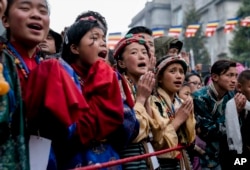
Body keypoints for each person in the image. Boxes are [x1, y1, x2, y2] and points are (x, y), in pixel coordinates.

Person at [24, 15, 124, 169]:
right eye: (94, 38)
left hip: (109, 160)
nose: (103, 43)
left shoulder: (109, 76)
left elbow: (127, 125)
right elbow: (63, 129)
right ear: (75, 48)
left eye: (103, 38)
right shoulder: (59, 74)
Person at [113, 33, 157, 170]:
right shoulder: (118, 85)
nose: (142, 56)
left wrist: (146, 98)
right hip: (129, 156)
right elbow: (131, 131)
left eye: (144, 52)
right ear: (121, 63)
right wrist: (142, 98)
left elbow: (154, 132)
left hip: (148, 155)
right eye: (134, 52)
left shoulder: (143, 86)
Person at [192, 59, 245, 170]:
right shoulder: (200, 97)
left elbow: (237, 129)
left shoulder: (231, 95)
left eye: (235, 76)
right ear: (215, 77)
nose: (234, 80)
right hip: (206, 157)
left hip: (227, 154)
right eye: (229, 75)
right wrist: (233, 114)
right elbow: (209, 132)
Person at [149, 55, 195, 170]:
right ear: (159, 78)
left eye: (181, 72)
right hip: (163, 162)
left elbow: (190, 139)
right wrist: (179, 119)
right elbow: (158, 141)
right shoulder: (153, 102)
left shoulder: (181, 102)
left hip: (182, 159)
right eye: (172, 71)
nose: (179, 76)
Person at [2, 0, 50, 98]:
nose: (36, 15)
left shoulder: (52, 68)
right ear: (6, 20)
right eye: (25, 8)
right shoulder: (2, 61)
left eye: (43, 11)